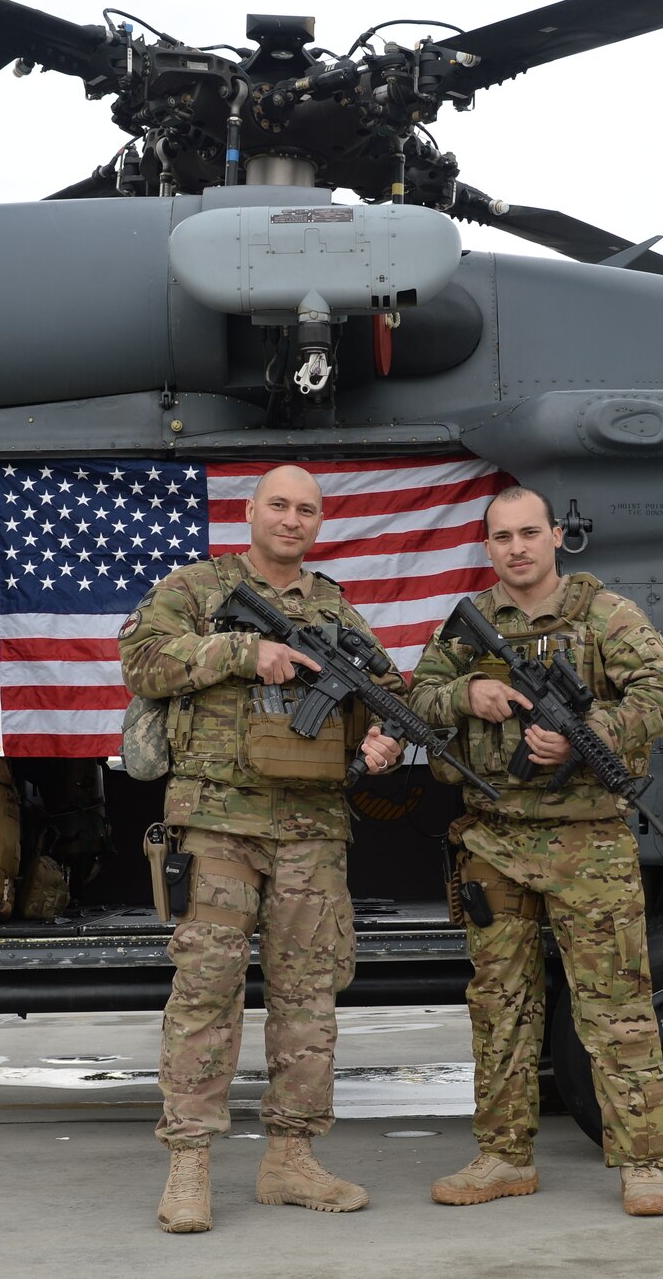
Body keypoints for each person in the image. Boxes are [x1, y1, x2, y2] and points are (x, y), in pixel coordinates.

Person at [118, 464, 404, 1234]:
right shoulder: (198, 588)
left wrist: (386, 742)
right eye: (278, 504)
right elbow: (142, 659)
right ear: (250, 511)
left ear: (319, 521)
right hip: (218, 822)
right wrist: (244, 653)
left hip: (312, 831)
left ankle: (291, 1157)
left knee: (308, 995)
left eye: (306, 509)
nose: (291, 518)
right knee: (206, 988)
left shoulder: (333, 607)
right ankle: (189, 1162)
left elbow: (391, 690)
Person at [408, 485, 663, 1217]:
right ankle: (503, 1156)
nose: (517, 548)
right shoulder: (470, 625)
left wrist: (586, 733)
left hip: (587, 842)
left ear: (556, 536)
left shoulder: (605, 615)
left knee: (616, 1004)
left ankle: (643, 1163)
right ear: (488, 546)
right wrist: (469, 693)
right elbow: (417, 699)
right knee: (499, 1003)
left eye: (529, 533)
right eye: (502, 537)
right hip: (493, 839)